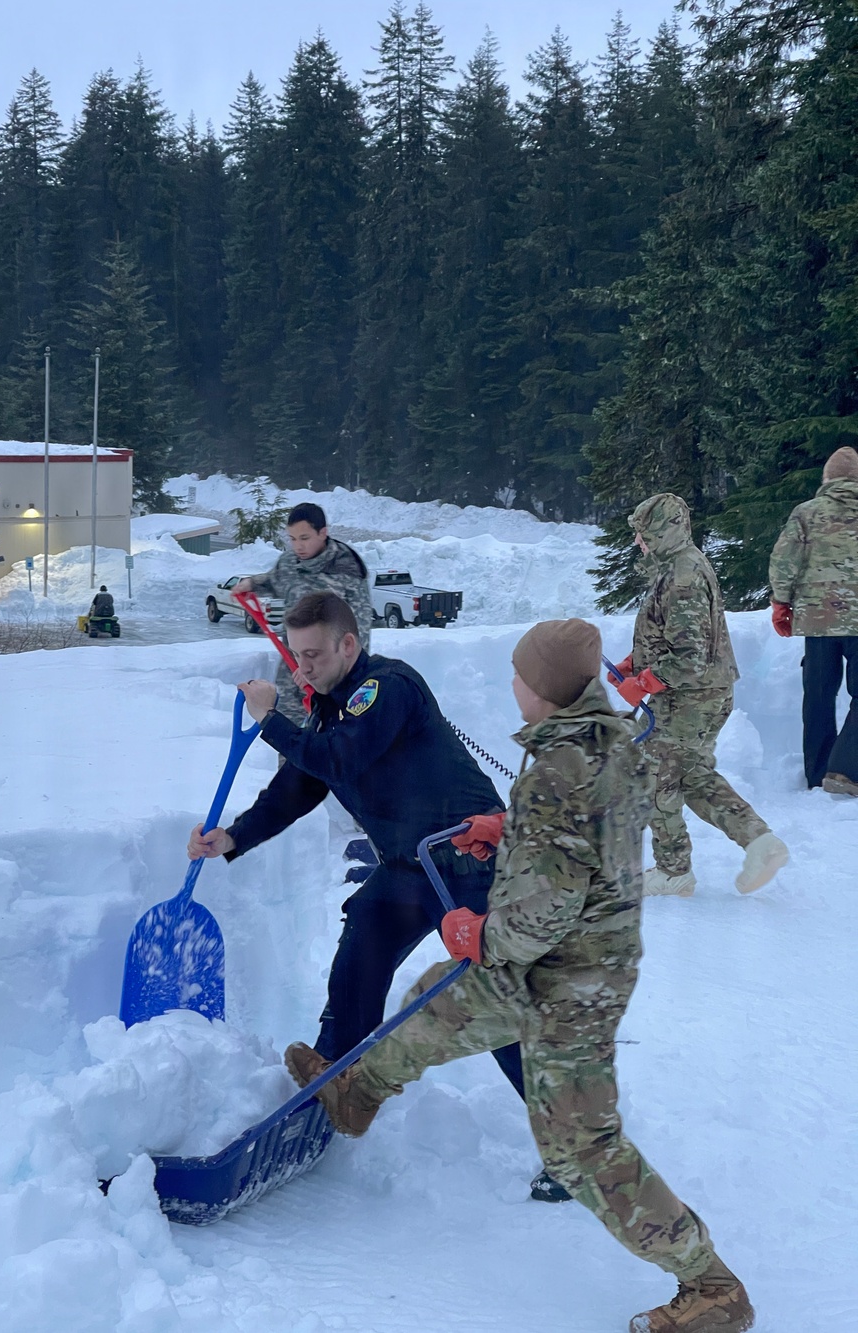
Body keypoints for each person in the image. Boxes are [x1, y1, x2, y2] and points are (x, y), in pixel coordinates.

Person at [287, 619, 755, 1333]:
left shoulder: (559, 769)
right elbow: (589, 834)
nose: (512, 684)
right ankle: (358, 1094)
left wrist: (475, 932)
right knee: (435, 1005)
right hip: (567, 963)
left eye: (520, 674)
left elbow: (540, 917)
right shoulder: (605, 742)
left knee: (581, 1150)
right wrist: (511, 831)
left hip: (569, 983)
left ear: (543, 688)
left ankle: (711, 1285)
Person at [187, 591, 565, 1202]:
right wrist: (233, 838)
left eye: (314, 654)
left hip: (469, 858)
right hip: (411, 865)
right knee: (362, 947)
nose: (303, 667)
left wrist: (270, 720)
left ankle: (573, 1147)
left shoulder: (386, 688)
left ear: (348, 645)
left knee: (491, 1003)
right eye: (296, 655)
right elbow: (300, 786)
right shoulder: (333, 709)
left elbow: (340, 760)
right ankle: (330, 1086)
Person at [612, 492, 787, 898]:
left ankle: (673, 870)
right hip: (700, 694)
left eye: (643, 533)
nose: (638, 541)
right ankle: (760, 842)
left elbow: (690, 657)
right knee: (690, 776)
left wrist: (643, 683)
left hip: (688, 698)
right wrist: (636, 662)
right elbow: (682, 636)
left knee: (654, 774)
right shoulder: (679, 564)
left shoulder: (682, 576)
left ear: (663, 530)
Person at [769, 444, 858, 796]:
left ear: (827, 479)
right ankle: (845, 769)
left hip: (817, 620)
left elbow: (783, 561)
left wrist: (781, 602)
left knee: (819, 695)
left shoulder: (806, 513)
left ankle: (819, 772)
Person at [233, 502, 373, 725]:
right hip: (293, 665)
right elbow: (274, 580)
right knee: (286, 728)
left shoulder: (346, 569)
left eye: (304, 538)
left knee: (330, 733)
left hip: (331, 673)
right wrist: (251, 584)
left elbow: (358, 634)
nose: (298, 546)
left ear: (323, 533)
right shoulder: (290, 562)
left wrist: (339, 674)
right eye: (293, 538)